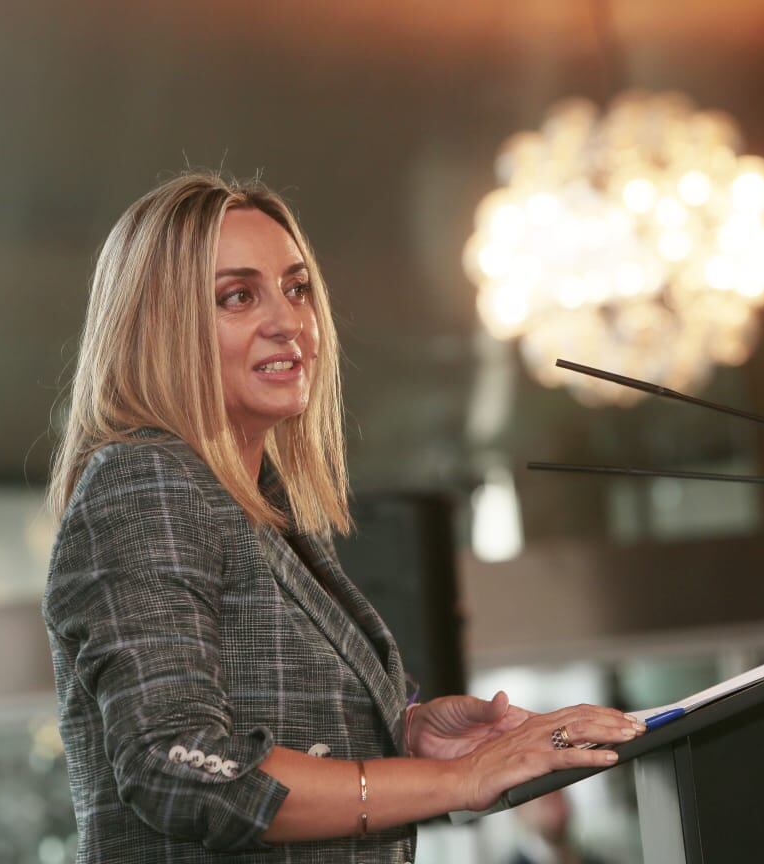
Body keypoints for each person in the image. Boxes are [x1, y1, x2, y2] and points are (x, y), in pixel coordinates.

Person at [42, 171, 645, 863]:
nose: (288, 321)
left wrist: (403, 730)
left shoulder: (255, 508)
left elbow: (267, 719)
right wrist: (458, 778)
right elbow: (178, 767)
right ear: (157, 328)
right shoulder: (145, 483)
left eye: (296, 288)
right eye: (238, 297)